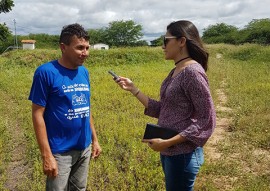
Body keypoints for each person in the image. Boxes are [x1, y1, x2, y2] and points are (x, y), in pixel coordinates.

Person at [114, 20, 216, 191]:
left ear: (182, 41)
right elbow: (164, 108)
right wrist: (133, 89)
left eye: (166, 40)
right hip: (171, 151)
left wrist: (168, 142)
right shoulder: (177, 70)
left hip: (183, 153)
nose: (163, 46)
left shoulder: (192, 73)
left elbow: (207, 119)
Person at [29, 23, 102, 191]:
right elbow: (37, 114)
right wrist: (46, 155)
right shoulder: (45, 72)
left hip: (84, 148)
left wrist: (94, 140)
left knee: (79, 189)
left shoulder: (83, 72)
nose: (85, 53)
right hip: (59, 151)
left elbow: (86, 108)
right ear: (63, 47)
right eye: (80, 48)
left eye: (87, 48)